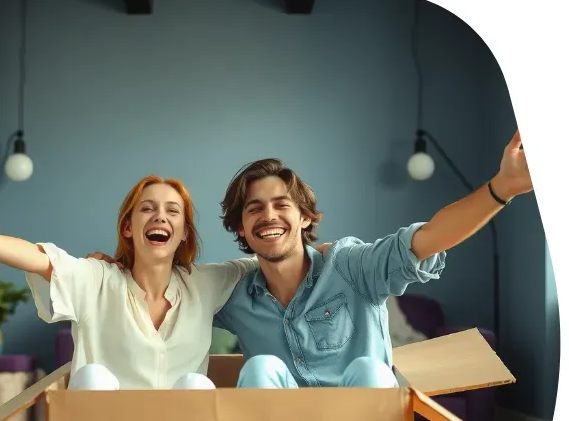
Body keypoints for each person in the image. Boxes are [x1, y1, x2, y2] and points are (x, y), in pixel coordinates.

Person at [209, 130, 533, 389]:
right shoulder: (234, 297)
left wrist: (502, 187)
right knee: (260, 367)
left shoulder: (350, 266)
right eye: (255, 209)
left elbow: (429, 238)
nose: (269, 216)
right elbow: (169, 294)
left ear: (305, 217)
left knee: (369, 369)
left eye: (282, 205)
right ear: (241, 226)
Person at [0, 175, 261, 390]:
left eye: (173, 211)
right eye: (147, 208)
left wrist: (314, 253)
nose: (160, 216)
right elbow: (39, 257)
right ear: (128, 227)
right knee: (92, 378)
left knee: (197, 386)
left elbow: (268, 259)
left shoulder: (206, 283)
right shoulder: (97, 279)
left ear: (184, 232)